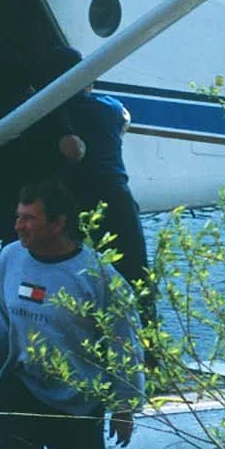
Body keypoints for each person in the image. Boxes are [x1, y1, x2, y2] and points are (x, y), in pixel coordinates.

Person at [0, 180, 144, 449]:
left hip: (77, 399)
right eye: (18, 217)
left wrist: (125, 405)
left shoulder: (98, 277)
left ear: (57, 224)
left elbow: (126, 345)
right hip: (19, 387)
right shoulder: (10, 257)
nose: (19, 226)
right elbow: (3, 322)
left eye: (29, 219)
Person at [41, 45, 155, 329]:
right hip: (117, 199)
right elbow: (124, 119)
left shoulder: (48, 115)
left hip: (76, 202)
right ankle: (149, 349)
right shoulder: (110, 107)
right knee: (136, 275)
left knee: (80, 276)